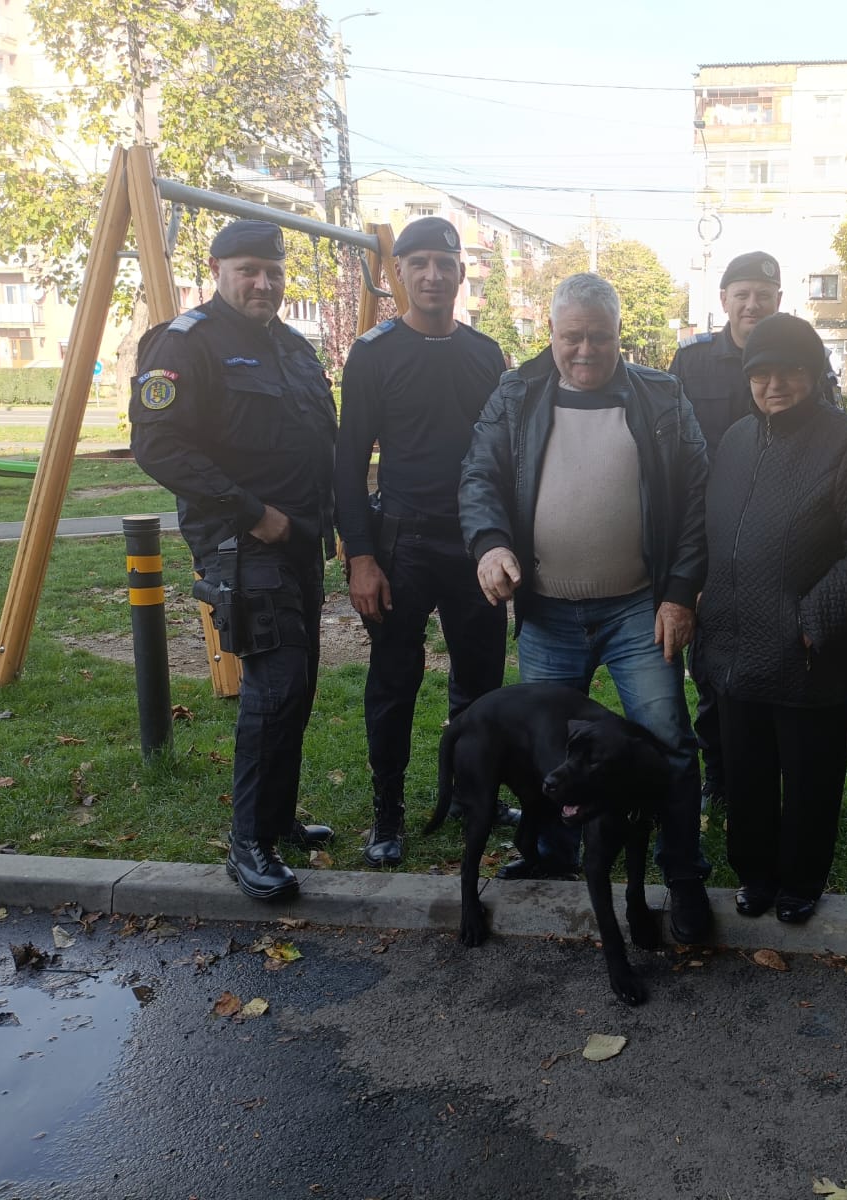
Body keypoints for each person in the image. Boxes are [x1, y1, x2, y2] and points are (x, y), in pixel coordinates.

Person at [458, 272, 714, 943]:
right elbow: (479, 474)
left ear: (619, 335)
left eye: (600, 337)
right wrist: (489, 545)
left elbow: (695, 501)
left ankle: (683, 878)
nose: (586, 350)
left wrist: (681, 590)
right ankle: (550, 859)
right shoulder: (516, 395)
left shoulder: (660, 396)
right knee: (548, 753)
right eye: (572, 337)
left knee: (670, 743)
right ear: (550, 333)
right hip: (549, 611)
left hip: (638, 608)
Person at [130, 219, 338, 902]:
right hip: (240, 542)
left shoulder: (291, 347)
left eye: (273, 271)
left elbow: (317, 438)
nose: (263, 282)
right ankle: (247, 842)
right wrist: (254, 512)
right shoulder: (185, 343)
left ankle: (276, 818)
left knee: (299, 682)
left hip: (297, 538)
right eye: (249, 269)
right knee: (273, 685)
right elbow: (158, 446)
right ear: (216, 267)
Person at [694, 314, 847, 924]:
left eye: (790, 371)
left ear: (814, 374)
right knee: (747, 770)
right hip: (734, 641)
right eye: (762, 373)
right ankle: (755, 874)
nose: (774, 384)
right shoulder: (733, 440)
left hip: (810, 648)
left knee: (810, 776)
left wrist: (813, 619)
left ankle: (802, 880)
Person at [335, 217, 511, 868]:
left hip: (473, 547)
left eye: (445, 262)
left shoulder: (485, 354)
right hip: (401, 543)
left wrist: (504, 542)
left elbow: (504, 457)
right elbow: (348, 461)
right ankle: (388, 812)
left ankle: (472, 793)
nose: (433, 275)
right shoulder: (374, 354)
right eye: (420, 263)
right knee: (393, 682)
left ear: (462, 273)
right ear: (396, 274)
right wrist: (360, 557)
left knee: (481, 684)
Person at [668, 250, 782, 811]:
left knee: (770, 656)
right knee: (711, 664)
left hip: (777, 535)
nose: (752, 304)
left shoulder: (795, 352)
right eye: (742, 294)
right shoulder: (691, 361)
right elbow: (666, 446)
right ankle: (718, 773)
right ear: (724, 302)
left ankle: (768, 770)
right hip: (708, 534)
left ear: (778, 300)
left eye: (763, 294)